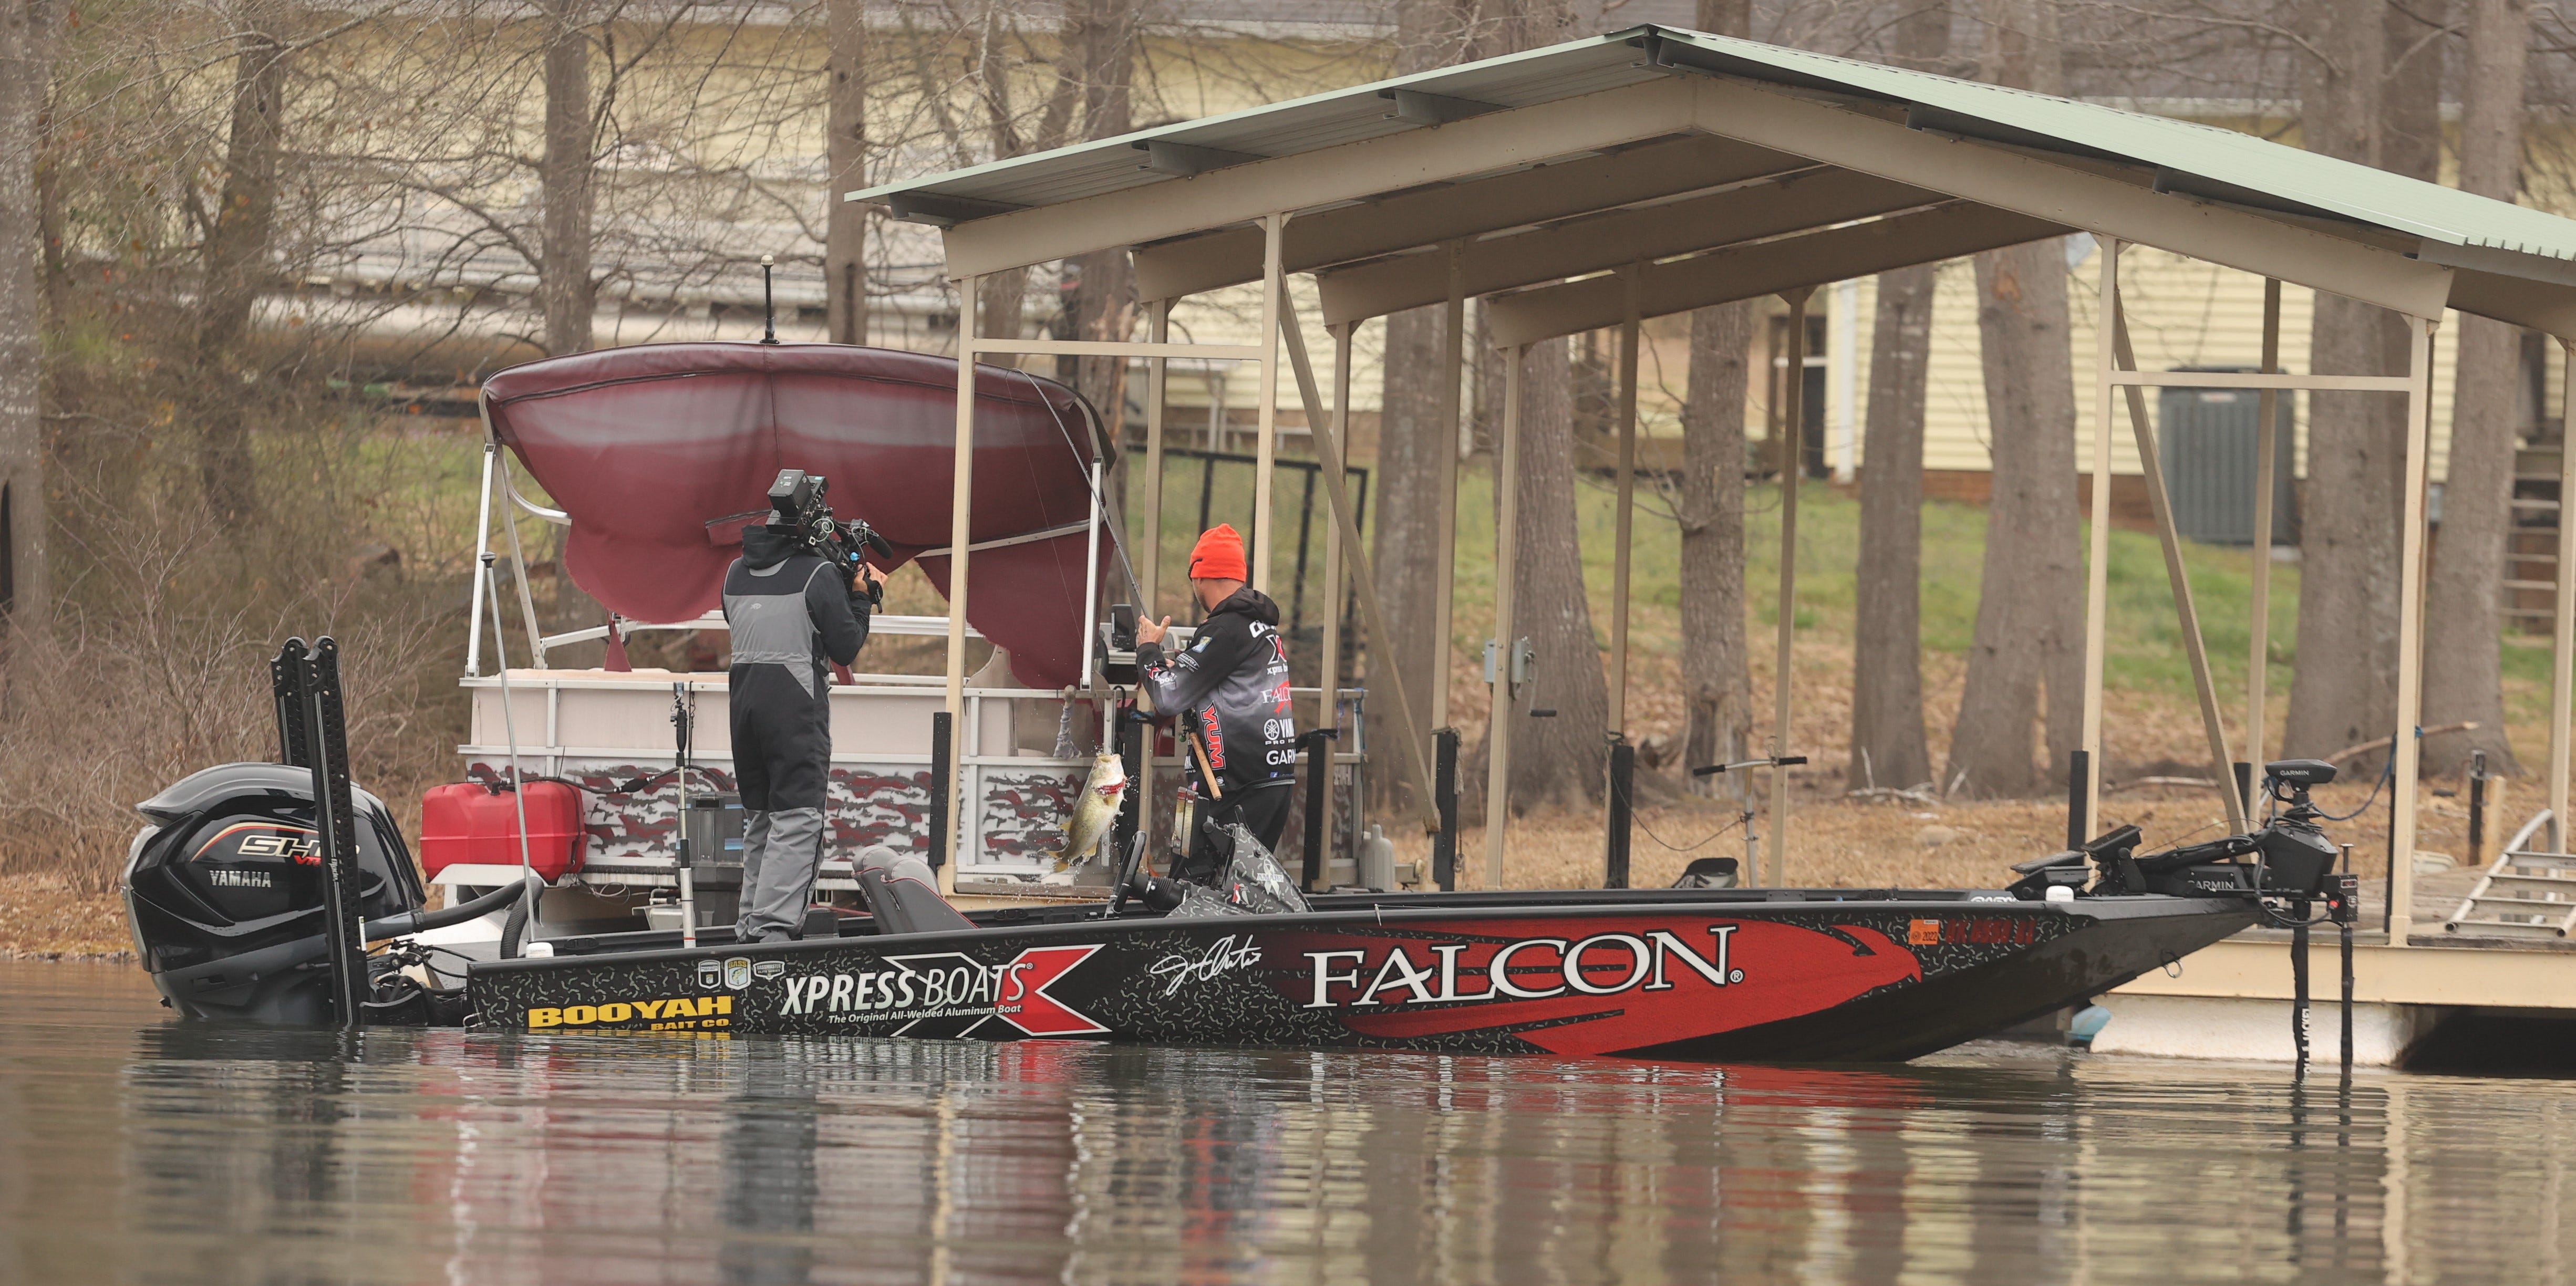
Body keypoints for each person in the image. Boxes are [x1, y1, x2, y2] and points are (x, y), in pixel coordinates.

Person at [723, 517, 876, 942]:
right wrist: (861, 598)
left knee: (761, 819)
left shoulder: (734, 572)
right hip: (793, 709)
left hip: (744, 707)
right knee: (798, 819)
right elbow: (845, 646)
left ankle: (749, 932)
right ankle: (773, 936)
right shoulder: (818, 573)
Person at [1134, 523, 1297, 884]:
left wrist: (1148, 651)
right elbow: (1217, 678)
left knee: (1189, 888)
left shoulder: (1224, 629)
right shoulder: (1260, 627)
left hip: (1225, 790)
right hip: (1269, 785)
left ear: (1200, 576)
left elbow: (1169, 696)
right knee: (1242, 891)